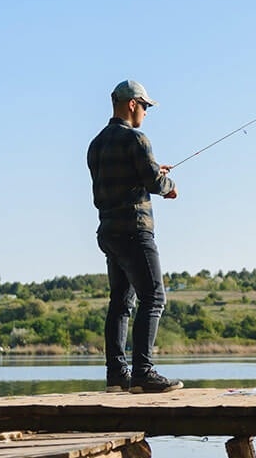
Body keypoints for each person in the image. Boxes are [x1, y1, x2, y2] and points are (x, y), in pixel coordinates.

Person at [87, 79, 183, 394]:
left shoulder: (96, 144)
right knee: (154, 297)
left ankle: (117, 375)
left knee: (120, 302)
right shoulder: (137, 140)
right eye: (145, 106)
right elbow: (154, 183)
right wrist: (168, 186)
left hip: (109, 231)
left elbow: (129, 178)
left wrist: (152, 171)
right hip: (134, 230)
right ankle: (143, 372)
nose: (145, 112)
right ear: (132, 104)